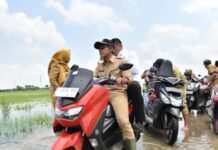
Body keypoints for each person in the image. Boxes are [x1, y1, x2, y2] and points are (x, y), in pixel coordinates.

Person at [94, 39, 136, 149]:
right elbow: (93, 78)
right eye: (99, 48)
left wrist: (122, 79)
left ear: (111, 48)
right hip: (100, 94)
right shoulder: (99, 66)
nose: (100, 50)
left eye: (102, 48)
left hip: (116, 93)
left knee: (123, 121)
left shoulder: (121, 62)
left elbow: (130, 80)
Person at [111, 38, 145, 131]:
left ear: (119, 45)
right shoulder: (111, 58)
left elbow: (135, 70)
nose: (112, 50)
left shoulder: (130, 54)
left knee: (135, 86)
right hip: (116, 83)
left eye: (113, 47)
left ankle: (140, 120)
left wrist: (123, 62)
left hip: (130, 82)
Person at [153, 59, 190, 131]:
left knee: (183, 103)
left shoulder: (174, 69)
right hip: (170, 86)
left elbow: (177, 83)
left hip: (180, 85)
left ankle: (187, 125)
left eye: (158, 67)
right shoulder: (162, 70)